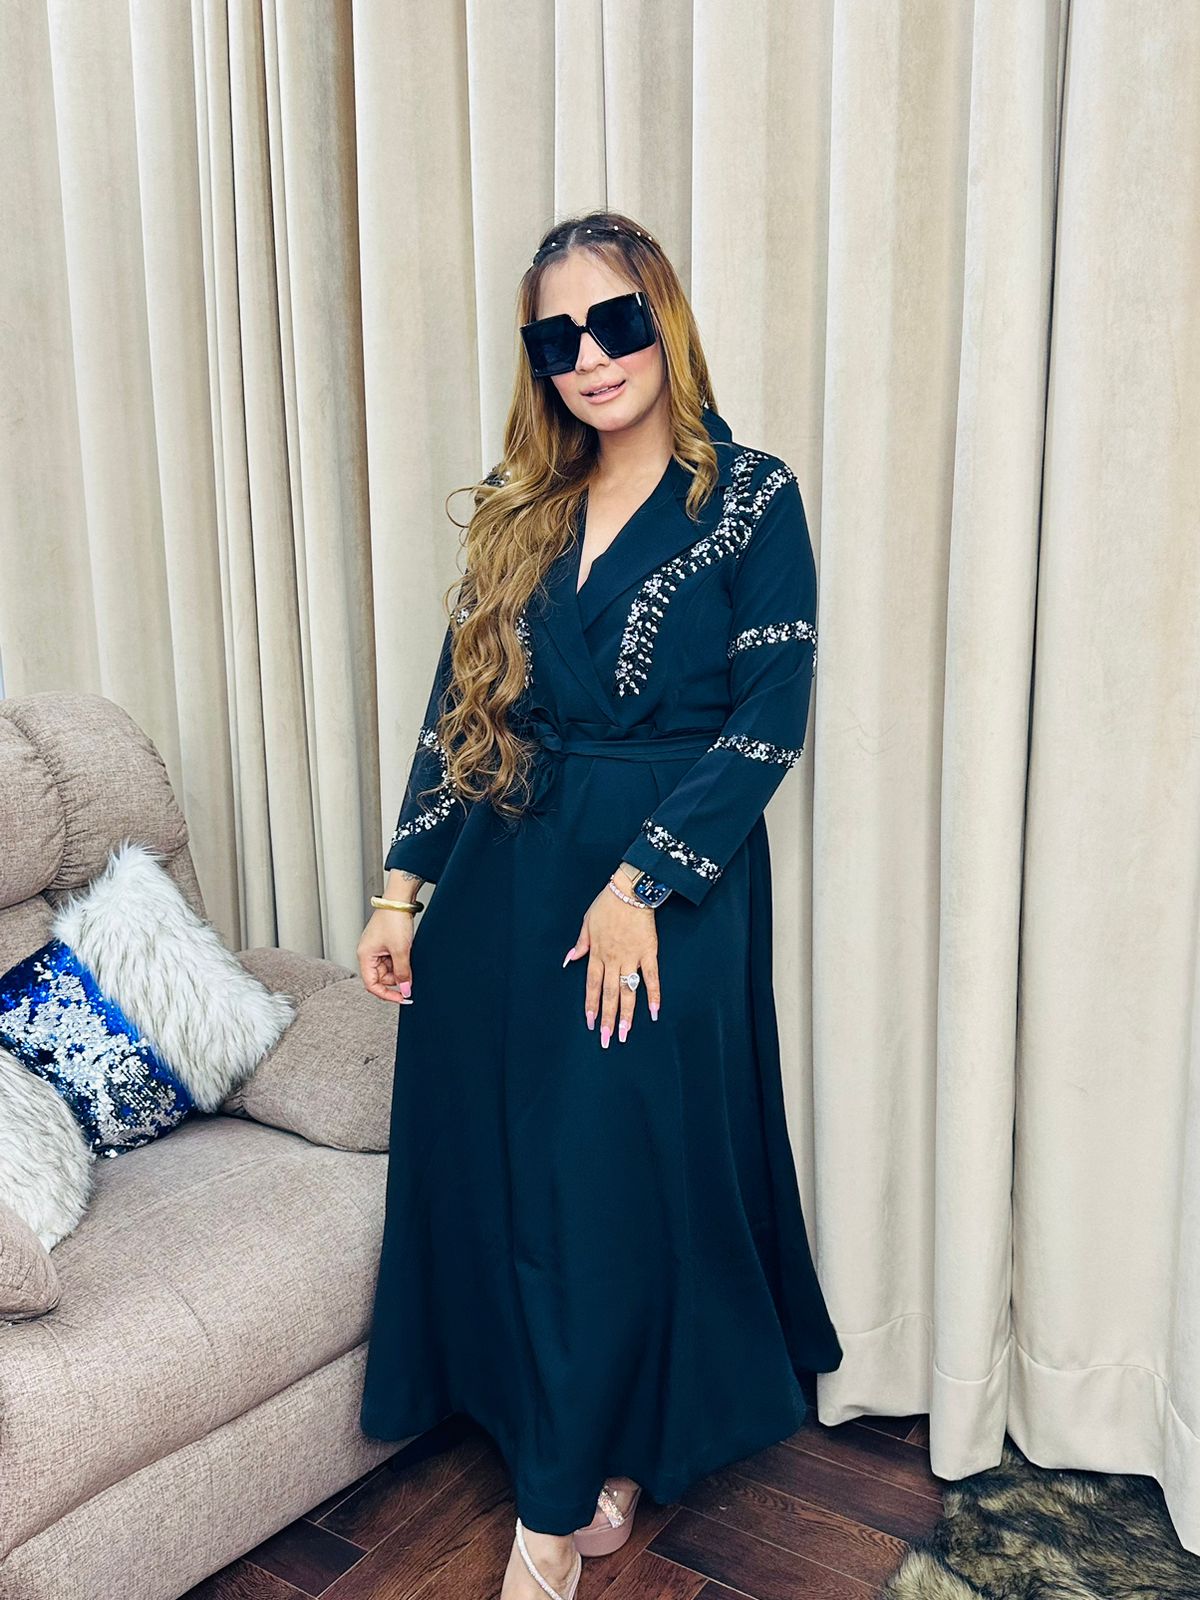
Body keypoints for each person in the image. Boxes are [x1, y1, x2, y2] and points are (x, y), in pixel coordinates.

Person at [355, 208, 843, 1600]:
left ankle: (556, 1512)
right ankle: (576, 1441)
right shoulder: (523, 512)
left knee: (607, 1174)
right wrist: (402, 891)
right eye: (555, 337)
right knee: (510, 1166)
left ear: (664, 321)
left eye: (615, 320)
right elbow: (459, 712)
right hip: (504, 878)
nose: (590, 355)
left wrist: (643, 884)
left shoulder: (750, 498)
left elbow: (768, 720)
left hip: (661, 882)